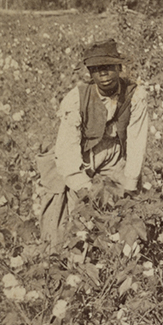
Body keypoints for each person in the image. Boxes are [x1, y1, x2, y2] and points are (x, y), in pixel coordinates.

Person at [34, 39, 149, 248]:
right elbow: (67, 150)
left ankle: (117, 252)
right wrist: (83, 187)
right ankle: (63, 254)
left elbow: (136, 140)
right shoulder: (76, 99)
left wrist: (130, 184)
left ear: (119, 67)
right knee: (66, 217)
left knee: (121, 212)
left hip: (115, 156)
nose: (103, 74)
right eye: (96, 69)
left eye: (108, 67)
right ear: (90, 72)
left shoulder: (135, 95)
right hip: (81, 157)